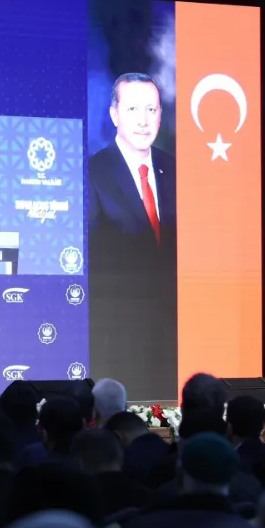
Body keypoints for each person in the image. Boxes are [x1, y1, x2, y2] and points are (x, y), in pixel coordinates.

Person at [88, 72, 177, 402]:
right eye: (133, 110)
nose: (143, 121)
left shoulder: (177, 169)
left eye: (151, 110)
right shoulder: (93, 172)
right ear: (114, 114)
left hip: (173, 333)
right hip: (118, 334)